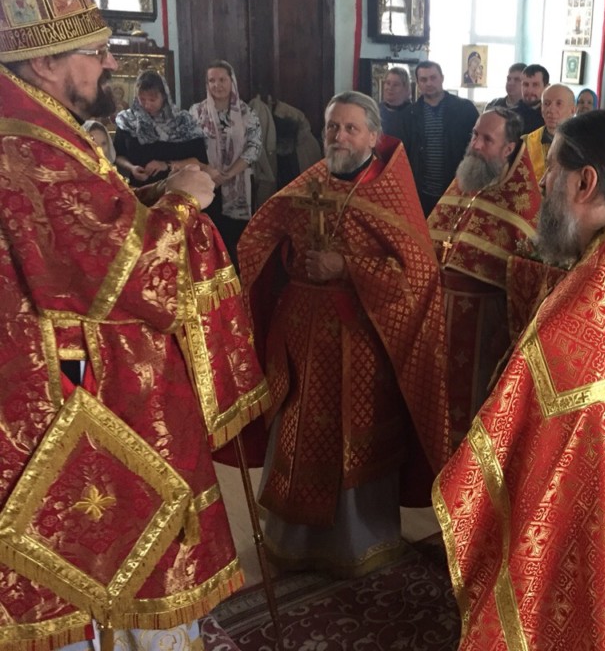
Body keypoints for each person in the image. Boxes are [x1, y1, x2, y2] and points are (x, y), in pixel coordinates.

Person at [0, 0, 268, 651]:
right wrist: (184, 198)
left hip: (52, 378)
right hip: (71, 392)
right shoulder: (29, 149)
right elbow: (128, 277)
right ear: (44, 65)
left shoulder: (35, 130)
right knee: (103, 553)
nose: (109, 61)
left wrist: (149, 198)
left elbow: (87, 233)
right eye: (94, 52)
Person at [434, 110, 605, 648]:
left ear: (585, 181)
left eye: (551, 168)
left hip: (588, 505)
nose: (542, 182)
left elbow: (523, 417)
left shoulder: (597, 297)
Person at [238, 91, 450, 577]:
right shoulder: (310, 181)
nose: (339, 136)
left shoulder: (391, 191)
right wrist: (289, 263)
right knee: (292, 428)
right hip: (298, 336)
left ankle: (361, 542)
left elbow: (416, 275)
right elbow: (261, 239)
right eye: (333, 126)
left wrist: (347, 267)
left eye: (352, 128)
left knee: (353, 435)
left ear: (374, 136)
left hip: (360, 343)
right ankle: (290, 538)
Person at [426, 106, 540, 441]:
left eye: (486, 139)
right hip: (439, 318)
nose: (475, 145)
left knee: (473, 414)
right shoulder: (465, 179)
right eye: (475, 135)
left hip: (484, 329)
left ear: (508, 149)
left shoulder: (524, 201)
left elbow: (527, 282)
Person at [190, 59, 262, 265]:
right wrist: (210, 171)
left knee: (234, 243)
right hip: (205, 182)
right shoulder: (196, 112)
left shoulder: (248, 114)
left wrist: (228, 175)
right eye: (212, 80)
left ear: (232, 82)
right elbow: (190, 147)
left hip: (237, 184)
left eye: (222, 79)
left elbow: (254, 148)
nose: (217, 85)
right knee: (207, 241)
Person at [395, 60, 479, 214]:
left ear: (442, 78)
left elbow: (477, 147)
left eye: (433, 78)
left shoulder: (464, 109)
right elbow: (403, 154)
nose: (429, 83)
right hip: (422, 192)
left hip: (457, 188)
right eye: (424, 79)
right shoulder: (408, 115)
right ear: (418, 83)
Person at [114, 69, 209, 187]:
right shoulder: (127, 121)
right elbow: (118, 155)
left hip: (176, 190)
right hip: (139, 191)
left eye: (152, 100)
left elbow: (199, 161)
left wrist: (166, 165)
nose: (147, 104)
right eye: (142, 99)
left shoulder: (183, 122)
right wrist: (132, 168)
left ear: (164, 96)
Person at [522, 82, 576, 181]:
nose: (550, 109)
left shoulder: (582, 144)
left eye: (558, 104)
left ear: (572, 110)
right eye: (546, 104)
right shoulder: (526, 143)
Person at [379, 66, 412, 136]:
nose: (390, 88)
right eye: (388, 83)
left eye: (396, 85)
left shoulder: (413, 113)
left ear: (405, 88)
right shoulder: (375, 110)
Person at [516, 63, 548, 133]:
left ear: (546, 87)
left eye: (535, 85)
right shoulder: (510, 116)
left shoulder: (550, 116)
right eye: (525, 84)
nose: (529, 90)